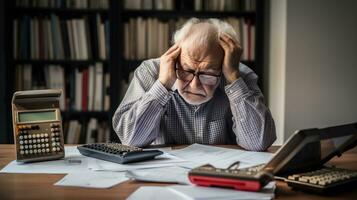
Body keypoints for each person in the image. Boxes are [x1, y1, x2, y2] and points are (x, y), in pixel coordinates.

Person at [112, 18, 276, 151]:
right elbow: (130, 140)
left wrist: (233, 78)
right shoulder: (150, 72)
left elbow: (258, 143)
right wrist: (163, 85)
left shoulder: (239, 75)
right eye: (187, 70)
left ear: (224, 63)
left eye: (208, 74)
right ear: (175, 57)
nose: (194, 85)